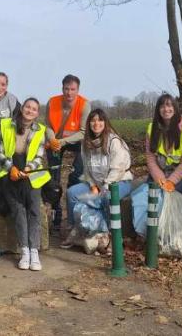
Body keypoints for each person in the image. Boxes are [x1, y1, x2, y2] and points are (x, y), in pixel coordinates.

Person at [61, 108, 133, 253]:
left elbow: (117, 169)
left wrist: (104, 187)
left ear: (105, 122)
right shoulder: (86, 143)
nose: (96, 123)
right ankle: (75, 230)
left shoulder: (114, 141)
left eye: (100, 120)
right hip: (97, 183)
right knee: (72, 193)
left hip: (119, 181)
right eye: (93, 120)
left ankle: (111, 236)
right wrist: (93, 185)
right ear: (88, 124)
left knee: (108, 197)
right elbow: (86, 170)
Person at [0, 98, 51, 271]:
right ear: (22, 108)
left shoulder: (40, 130)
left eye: (34, 109)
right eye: (28, 107)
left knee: (34, 209)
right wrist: (11, 168)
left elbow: (39, 156)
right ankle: (24, 251)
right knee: (18, 210)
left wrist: (28, 168)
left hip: (31, 173)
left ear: (37, 113)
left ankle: (34, 251)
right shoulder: (5, 125)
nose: (30, 111)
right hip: (10, 172)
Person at [129, 93, 182, 240]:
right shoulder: (152, 128)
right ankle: (145, 232)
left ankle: (162, 234)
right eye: (162, 105)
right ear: (158, 109)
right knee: (142, 195)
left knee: (161, 198)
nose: (166, 109)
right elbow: (150, 158)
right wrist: (160, 179)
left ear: (175, 108)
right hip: (159, 175)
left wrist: (171, 181)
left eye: (169, 105)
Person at [44, 74, 89, 230]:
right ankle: (56, 212)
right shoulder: (52, 102)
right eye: (66, 89)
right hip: (56, 143)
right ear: (62, 88)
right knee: (54, 177)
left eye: (72, 89)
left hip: (77, 142)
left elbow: (83, 132)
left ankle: (73, 212)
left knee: (77, 174)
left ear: (78, 90)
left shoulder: (84, 105)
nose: (69, 93)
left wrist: (62, 141)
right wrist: (52, 140)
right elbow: (48, 126)